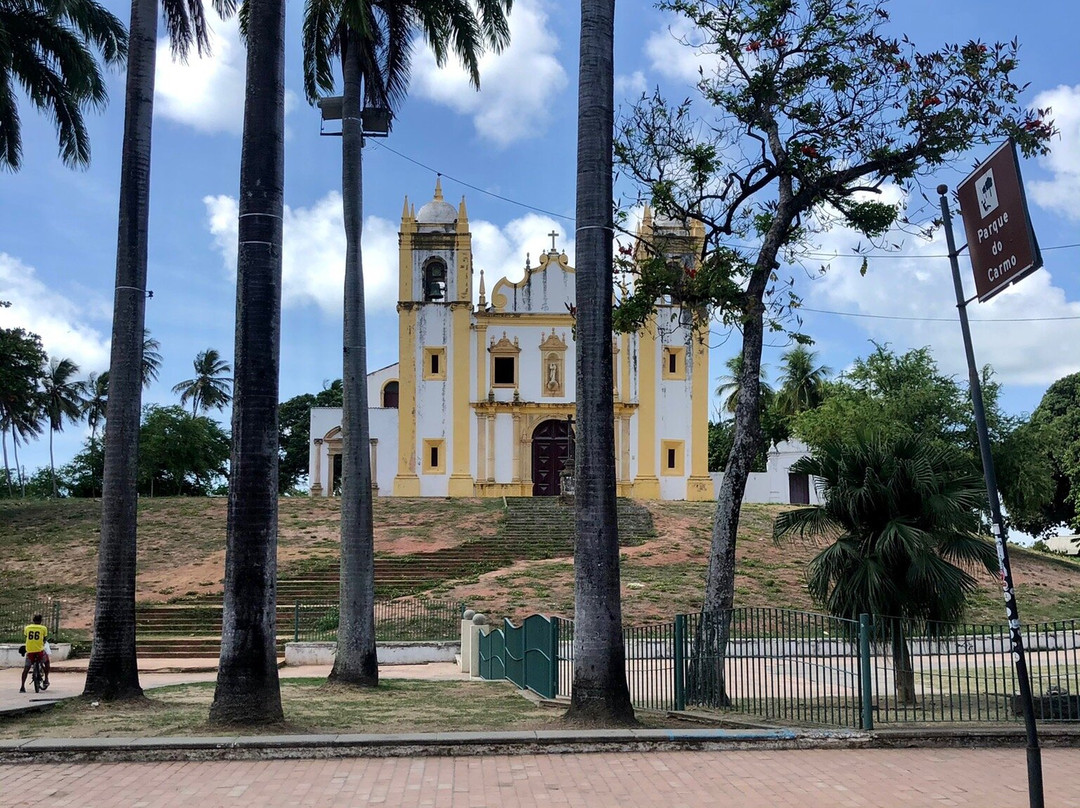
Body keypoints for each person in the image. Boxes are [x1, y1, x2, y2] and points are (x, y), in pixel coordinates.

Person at [19, 613, 50, 693]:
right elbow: (44, 638)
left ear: (33, 620)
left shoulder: (27, 628)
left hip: (30, 651)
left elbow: (27, 636)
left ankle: (22, 686)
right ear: (41, 621)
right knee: (47, 662)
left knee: (26, 668)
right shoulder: (43, 628)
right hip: (39, 651)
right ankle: (46, 678)